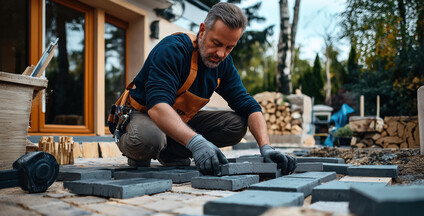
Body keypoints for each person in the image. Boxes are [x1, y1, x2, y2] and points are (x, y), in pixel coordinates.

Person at [115, 2, 296, 176]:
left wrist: (266, 147)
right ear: (202, 31)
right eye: (216, 43)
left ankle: (171, 152)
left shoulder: (223, 65)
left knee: (236, 125)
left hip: (174, 120)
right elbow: (157, 106)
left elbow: (250, 106)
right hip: (140, 114)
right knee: (150, 139)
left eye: (229, 48)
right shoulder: (174, 50)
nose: (221, 54)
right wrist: (196, 142)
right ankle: (137, 147)